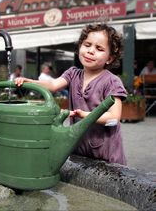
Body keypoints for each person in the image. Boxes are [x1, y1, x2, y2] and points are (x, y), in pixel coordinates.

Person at [15, 23, 127, 165]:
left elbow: (114, 118)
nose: (91, 51)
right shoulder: (73, 73)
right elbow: (53, 85)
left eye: (99, 48)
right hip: (78, 151)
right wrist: (28, 81)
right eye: (87, 45)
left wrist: (84, 115)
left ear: (110, 58)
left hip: (107, 156)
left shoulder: (111, 81)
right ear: (80, 46)